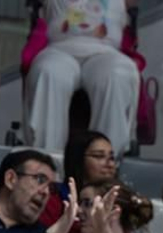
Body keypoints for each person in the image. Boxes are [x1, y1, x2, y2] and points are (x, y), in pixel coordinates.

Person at [24, 0, 140, 154]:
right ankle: (46, 162)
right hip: (59, 49)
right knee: (48, 73)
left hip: (106, 53)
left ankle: (104, 163)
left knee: (118, 75)